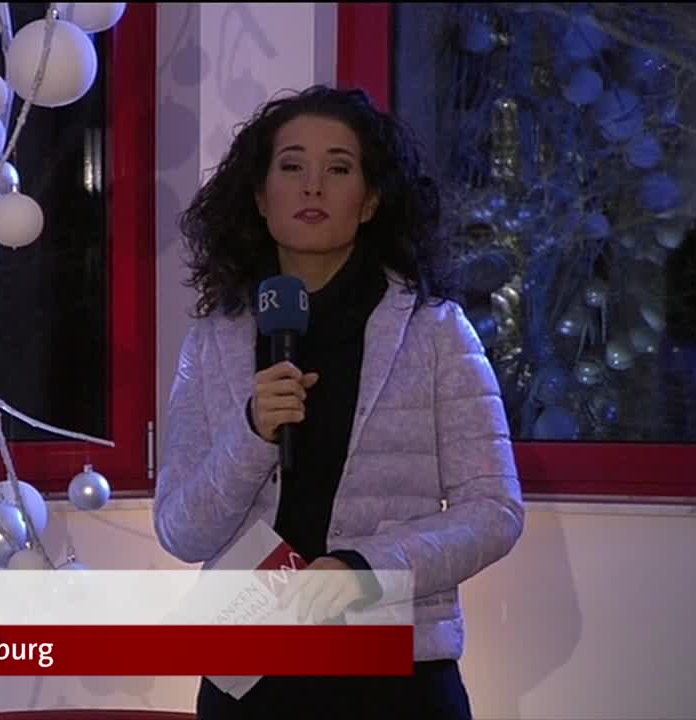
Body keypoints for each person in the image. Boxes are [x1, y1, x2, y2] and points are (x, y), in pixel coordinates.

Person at [152, 85, 525, 719]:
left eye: (339, 169)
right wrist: (251, 432)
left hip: (395, 674)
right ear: (260, 197)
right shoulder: (215, 341)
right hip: (251, 672)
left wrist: (364, 570)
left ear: (371, 200)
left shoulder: (434, 331)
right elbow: (182, 532)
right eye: (291, 166)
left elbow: (494, 511)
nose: (312, 187)